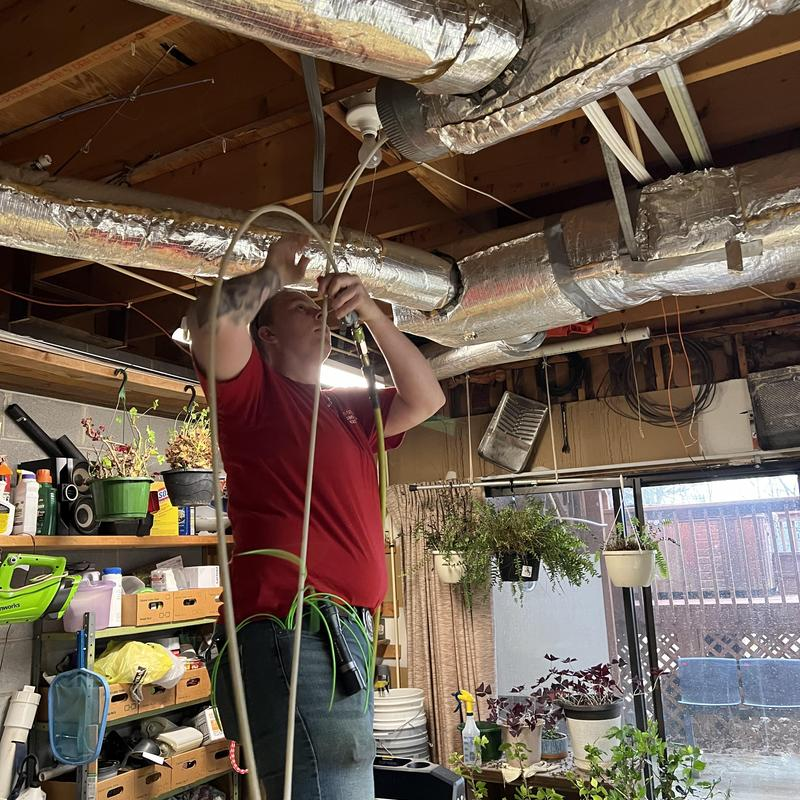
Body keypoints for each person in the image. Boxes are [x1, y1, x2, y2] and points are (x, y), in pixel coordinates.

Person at [188, 234, 445, 800]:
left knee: (331, 783)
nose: (320, 312)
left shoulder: (349, 410)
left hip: (333, 634)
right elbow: (206, 322)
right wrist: (273, 276)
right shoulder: (253, 393)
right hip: (293, 625)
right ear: (268, 335)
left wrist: (372, 310)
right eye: (304, 308)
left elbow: (428, 398)